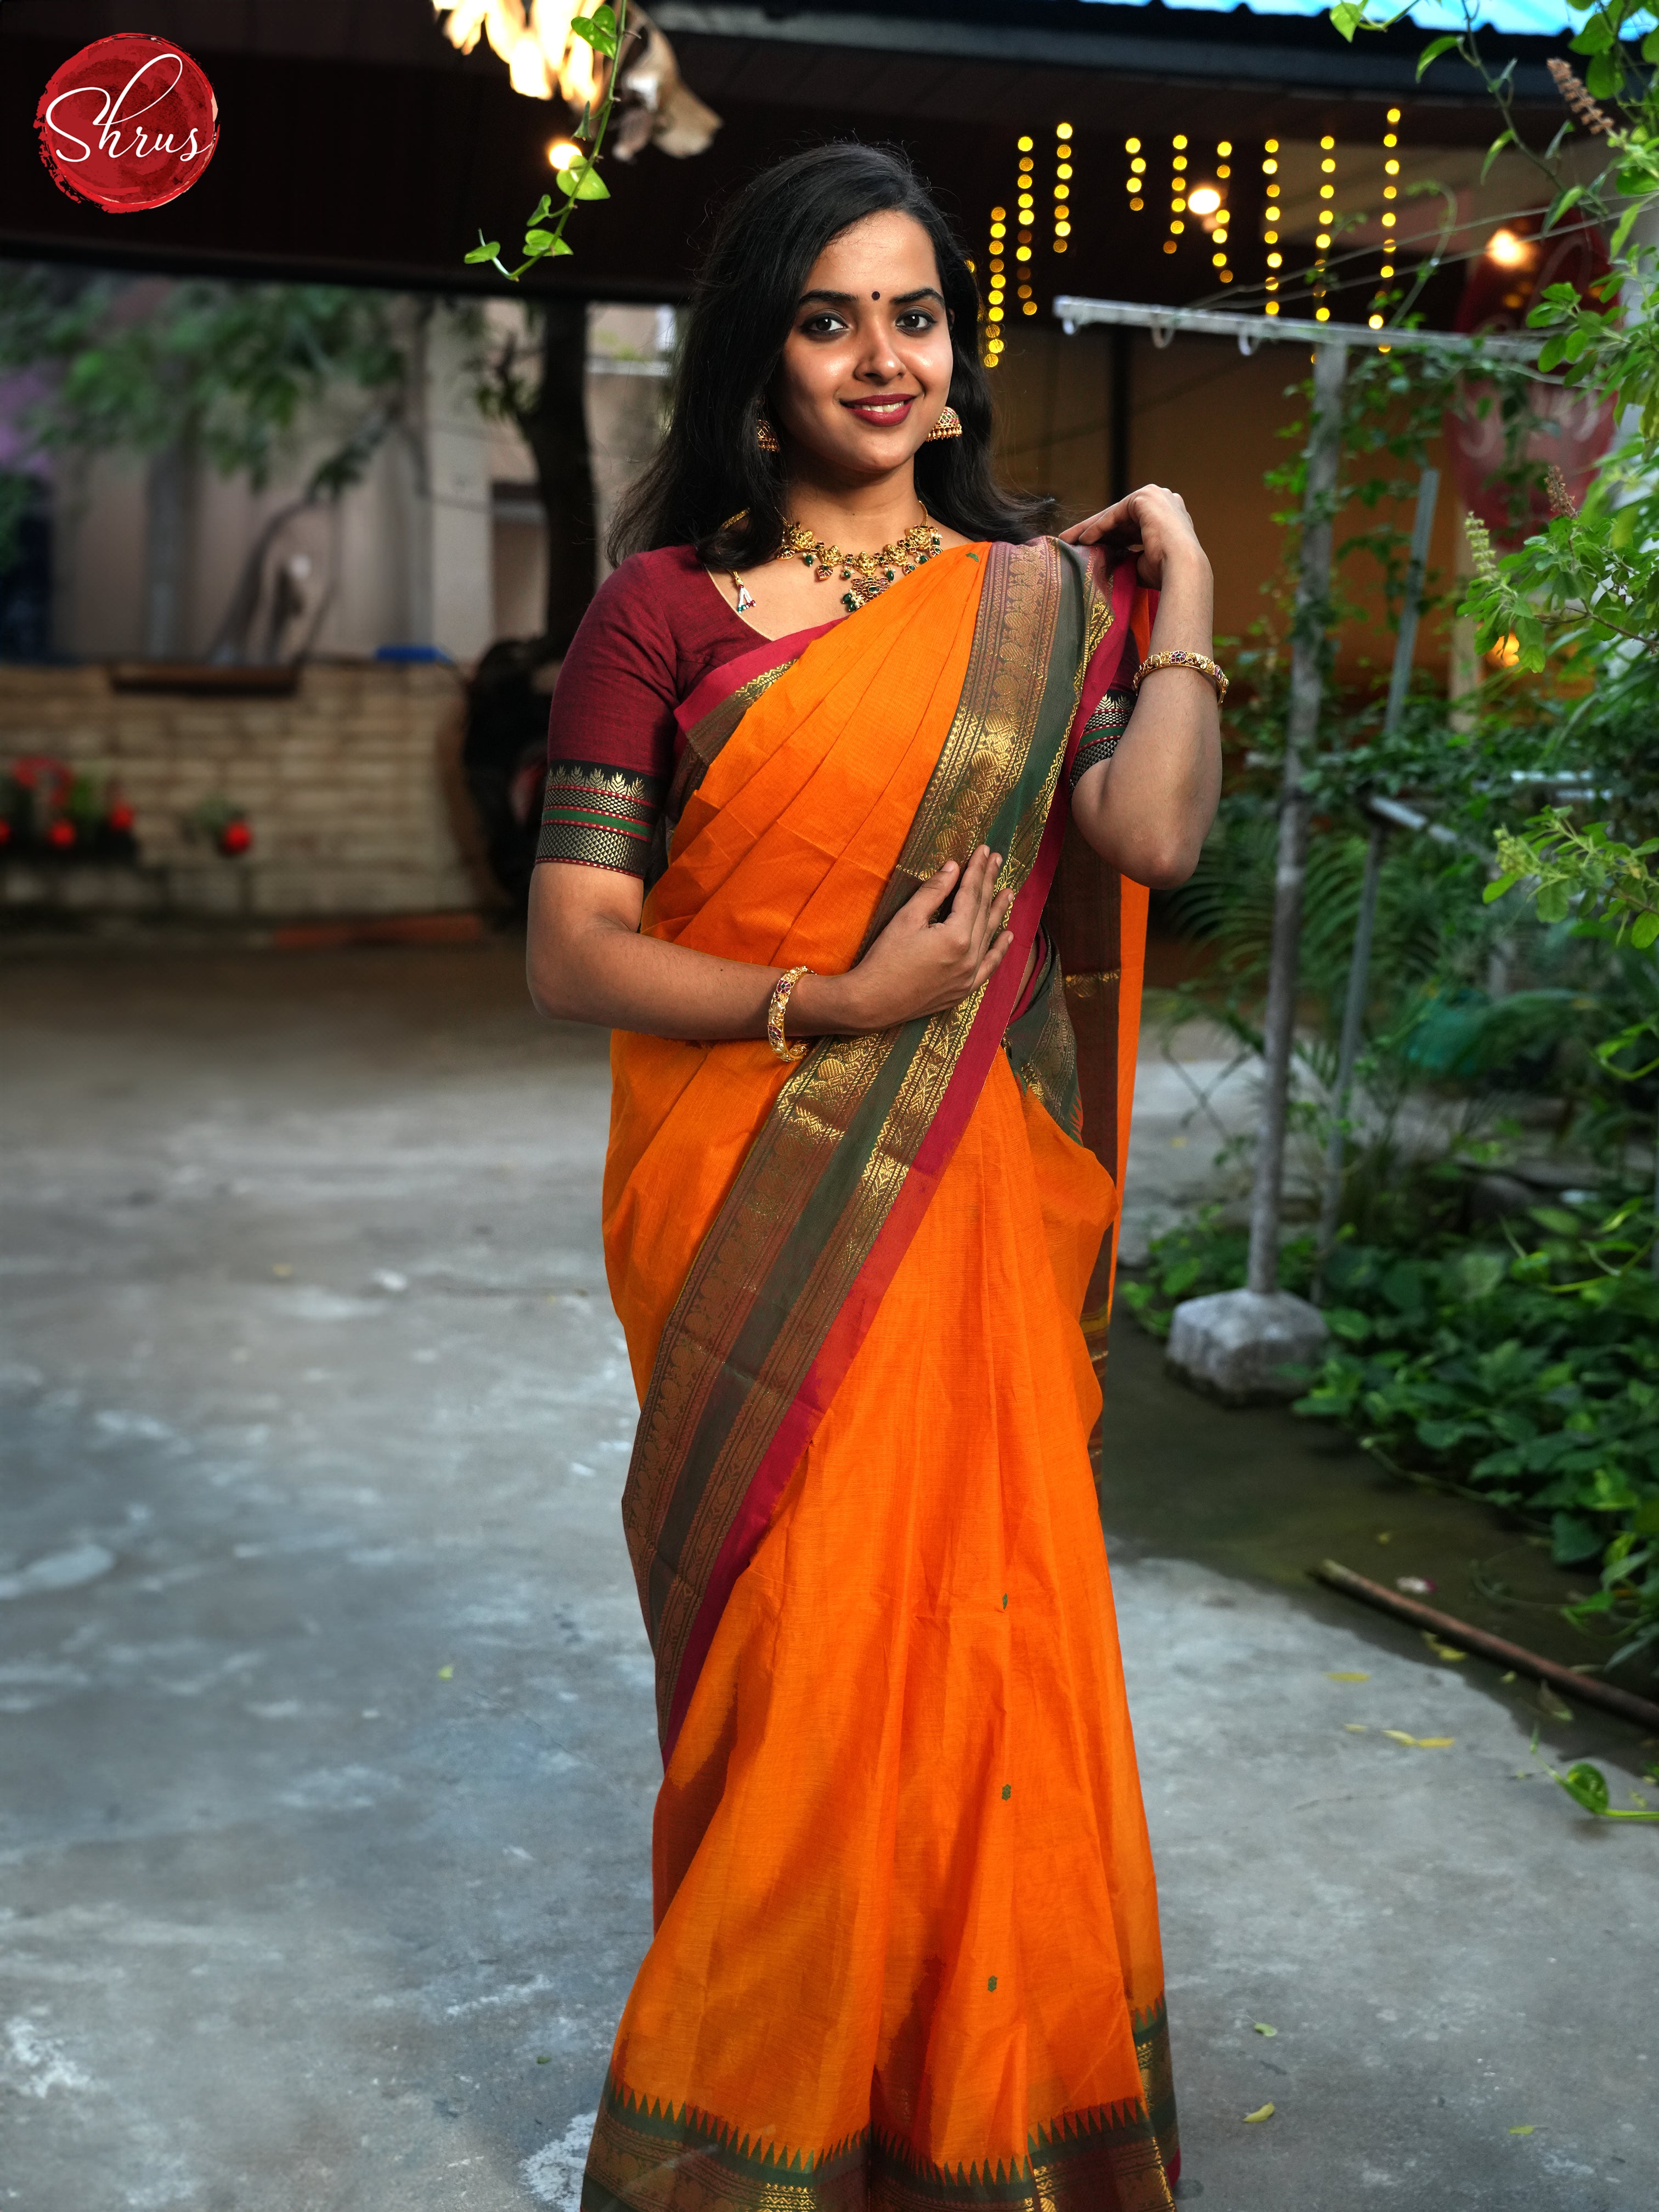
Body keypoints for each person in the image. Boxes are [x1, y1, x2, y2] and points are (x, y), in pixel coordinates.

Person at [527, 140, 1221, 2212]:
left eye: (915, 313)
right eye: (833, 317)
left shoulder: (1035, 605)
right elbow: (574, 949)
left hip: (968, 1229)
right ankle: (754, 2133)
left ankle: (983, 2106)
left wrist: (1177, 588)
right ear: (763, 358)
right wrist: (833, 1000)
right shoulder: (660, 615)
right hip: (756, 1203)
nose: (884, 356)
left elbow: (1158, 842)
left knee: (978, 1642)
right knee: (808, 1654)